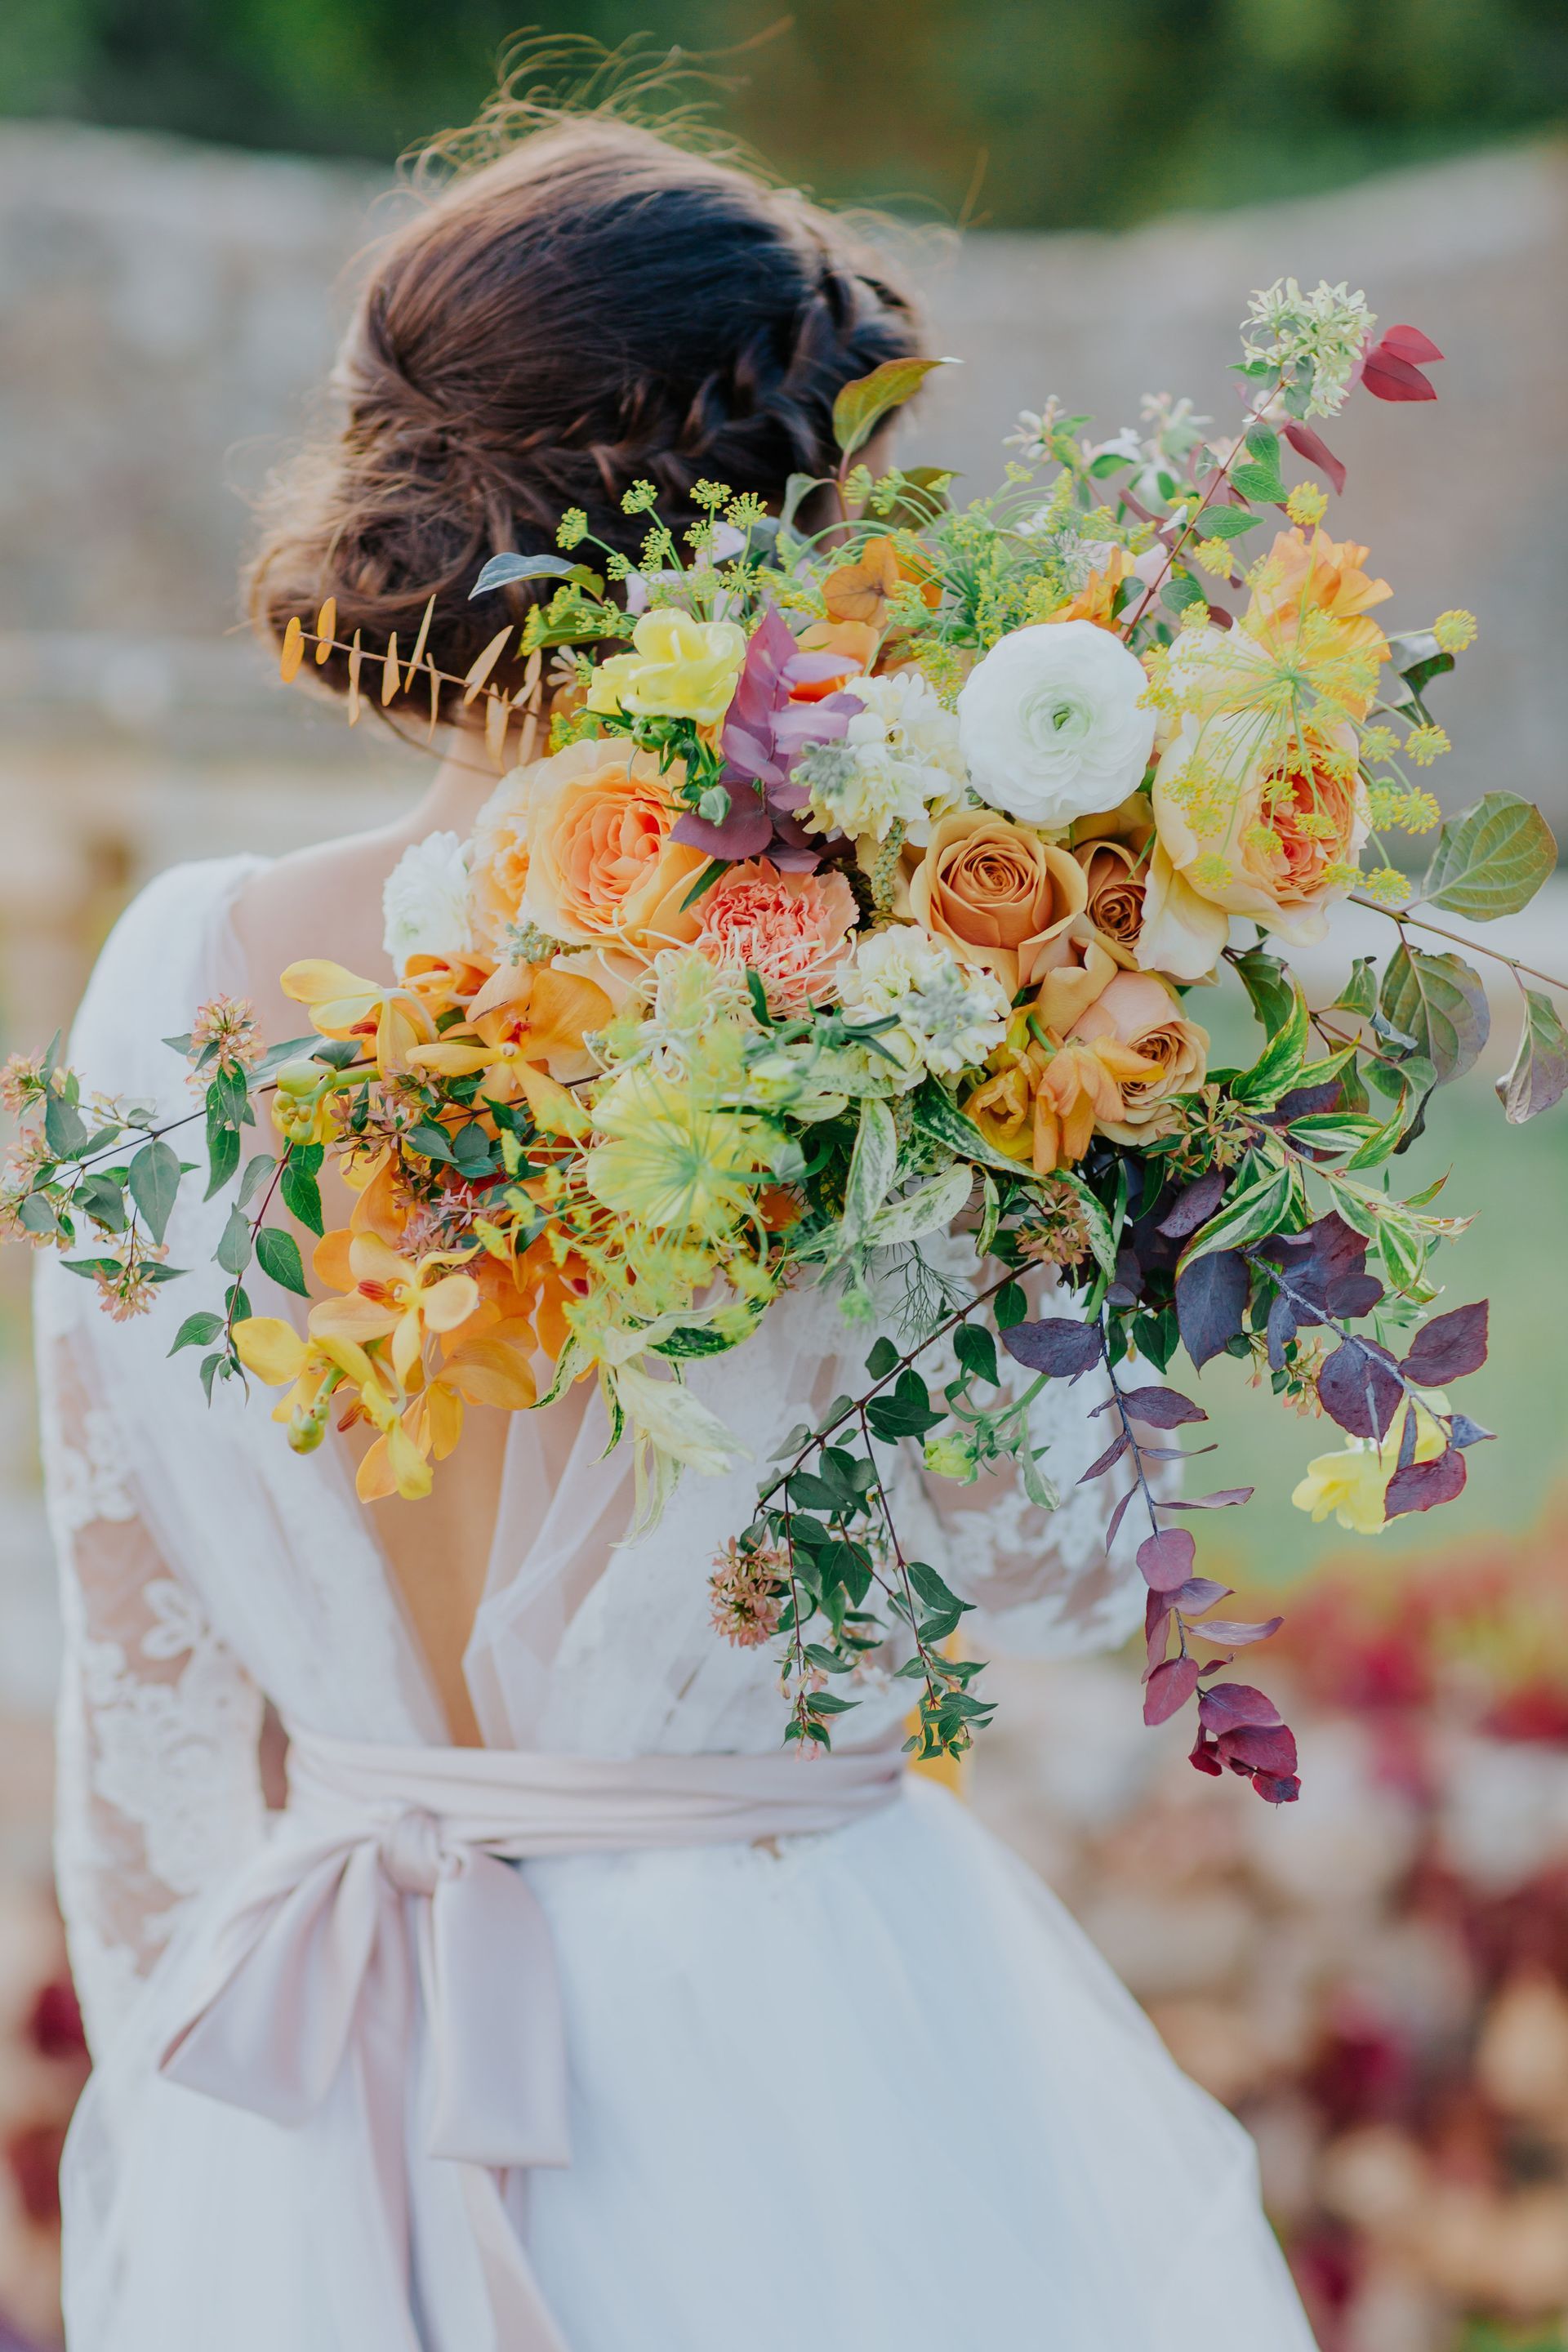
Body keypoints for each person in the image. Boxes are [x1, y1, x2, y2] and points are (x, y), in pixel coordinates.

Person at [38, 102, 1318, 2351]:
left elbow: (145, 1698)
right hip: (781, 2061)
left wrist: (223, 2154)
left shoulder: (171, 979)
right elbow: (1052, 1568)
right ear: (770, 530)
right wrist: (1093, 1144)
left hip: (322, 2063)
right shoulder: (877, 986)